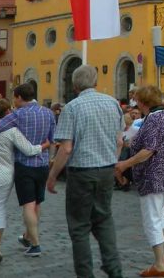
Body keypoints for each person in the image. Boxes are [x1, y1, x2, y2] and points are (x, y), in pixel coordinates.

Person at [46, 65, 125, 278]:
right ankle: (113, 268)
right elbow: (119, 140)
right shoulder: (113, 104)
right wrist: (113, 161)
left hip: (82, 171)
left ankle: (85, 273)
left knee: (79, 225)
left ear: (74, 86)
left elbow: (67, 148)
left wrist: (52, 175)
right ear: (96, 82)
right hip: (106, 170)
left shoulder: (72, 107)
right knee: (104, 219)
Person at [0, 82, 57, 257]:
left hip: (24, 165)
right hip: (42, 164)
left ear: (19, 97)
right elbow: (53, 139)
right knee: (37, 203)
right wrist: (49, 154)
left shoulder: (17, 115)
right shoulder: (48, 112)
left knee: (28, 204)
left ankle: (35, 244)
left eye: (15, 97)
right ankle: (28, 236)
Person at [114, 85, 164, 277]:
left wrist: (125, 164)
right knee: (160, 214)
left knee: (151, 219)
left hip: (153, 176)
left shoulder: (152, 119)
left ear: (142, 102)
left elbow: (148, 150)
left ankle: (160, 264)